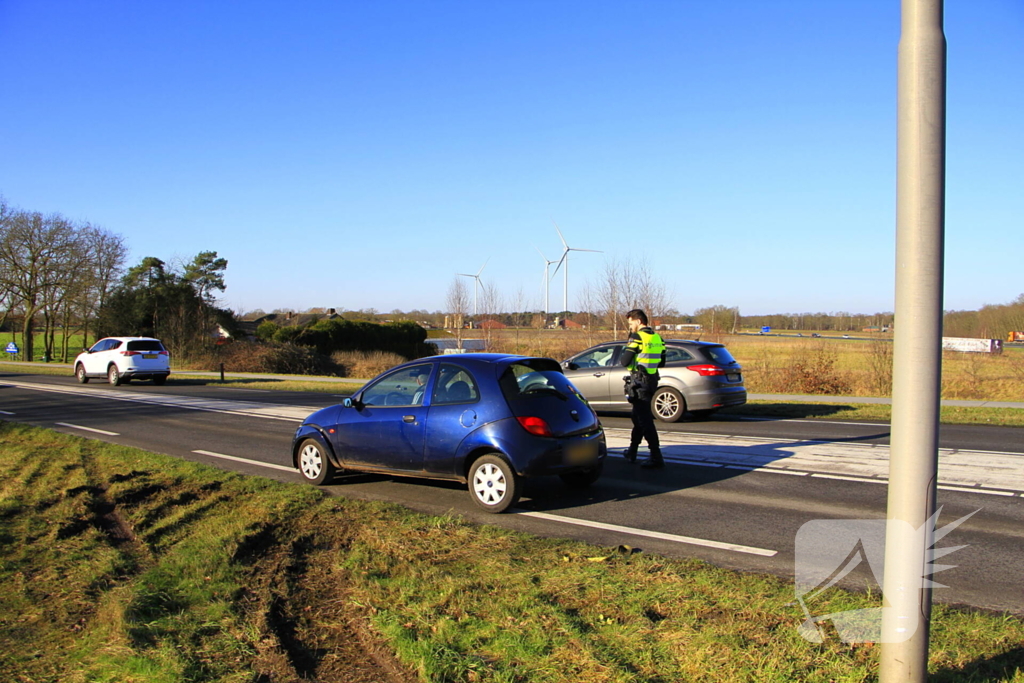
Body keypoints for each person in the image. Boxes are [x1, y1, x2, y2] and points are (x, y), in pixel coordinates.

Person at [619, 308, 666, 468]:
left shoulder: (637, 337)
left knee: (645, 421)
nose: (630, 327)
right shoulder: (658, 338)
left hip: (639, 382)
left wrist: (629, 346)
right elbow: (662, 362)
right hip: (652, 380)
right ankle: (632, 451)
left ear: (638, 321)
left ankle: (656, 456)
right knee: (638, 417)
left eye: (631, 323)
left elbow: (624, 361)